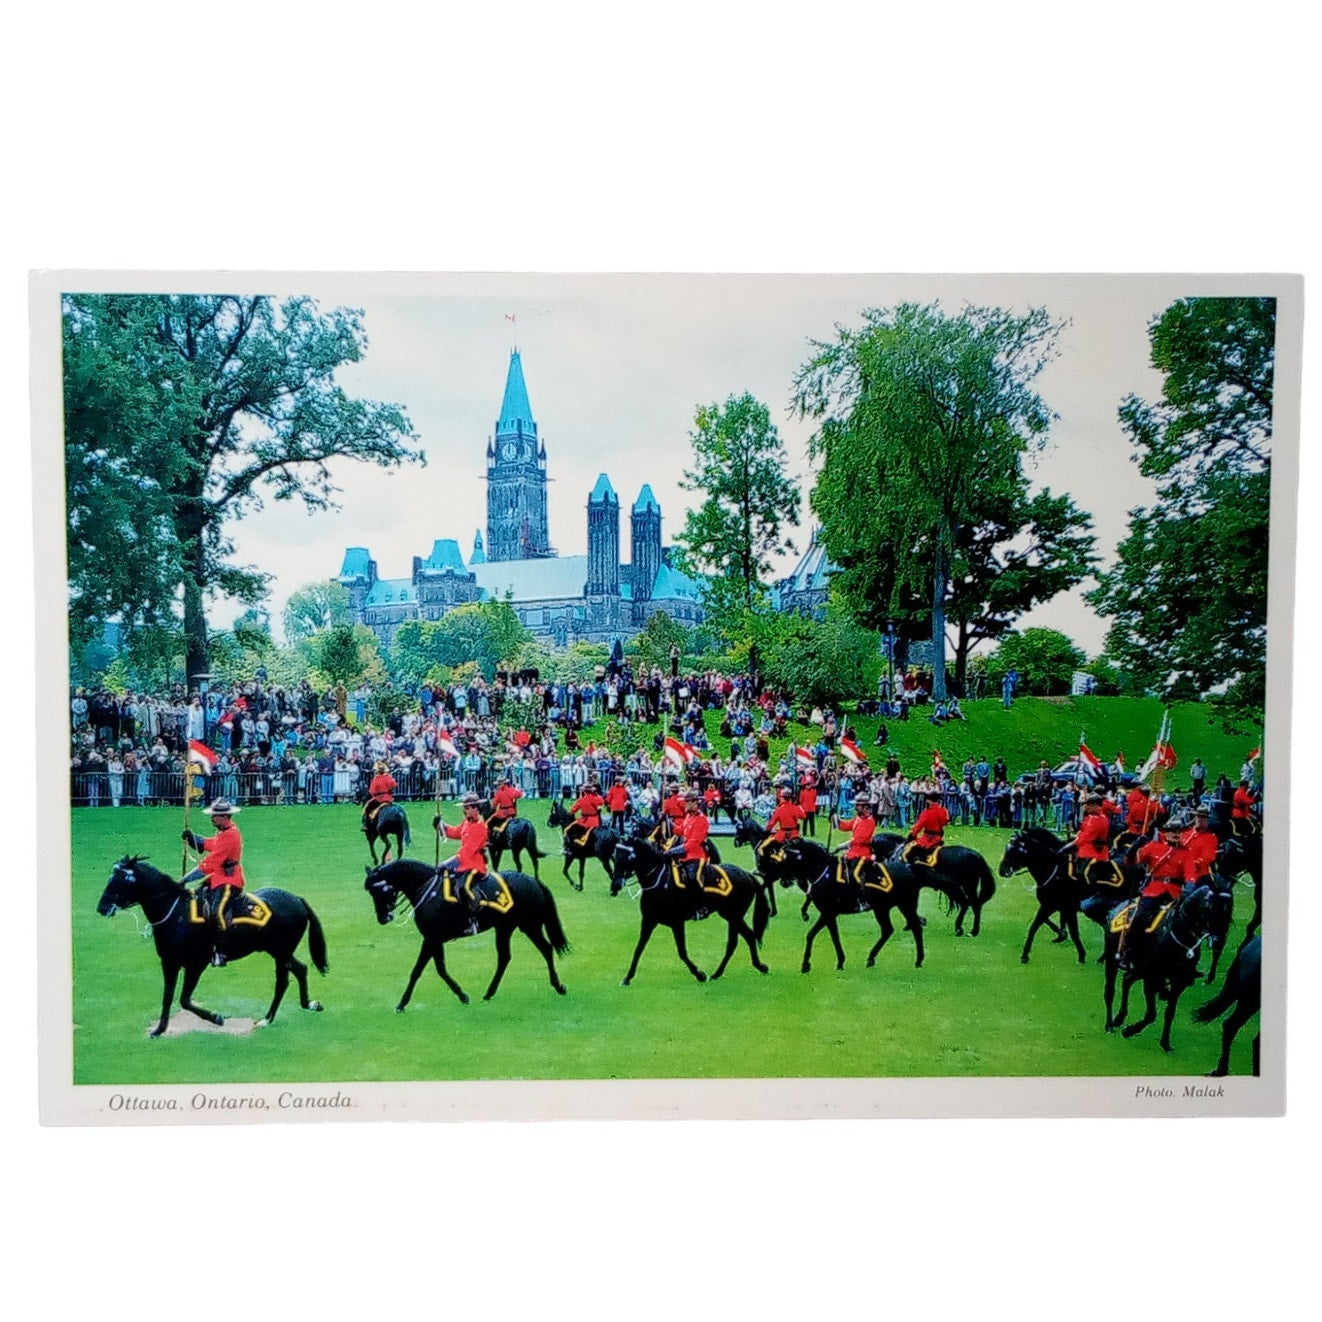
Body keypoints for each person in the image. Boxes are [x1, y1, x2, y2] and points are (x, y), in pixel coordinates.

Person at [1120, 817, 1198, 968]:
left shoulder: (1186, 854)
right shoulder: (1153, 846)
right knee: (1140, 917)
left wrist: (1189, 890)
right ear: (1166, 832)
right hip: (1154, 890)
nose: (1176, 834)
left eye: (1178, 831)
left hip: (1175, 893)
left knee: (1191, 922)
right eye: (1172, 831)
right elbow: (1130, 860)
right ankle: (1128, 952)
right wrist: (1138, 843)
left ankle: (1190, 960)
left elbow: (1190, 876)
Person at [181, 797, 246, 966]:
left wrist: (185, 880)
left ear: (224, 816)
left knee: (217, 912)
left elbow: (210, 864)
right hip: (218, 877)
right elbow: (212, 844)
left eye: (215, 816)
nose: (212, 819)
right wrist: (193, 838)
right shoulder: (224, 831)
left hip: (229, 880)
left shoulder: (230, 834)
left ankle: (221, 951)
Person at [433, 795, 490, 928]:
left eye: (467, 808)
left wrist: (447, 864)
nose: (465, 811)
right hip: (464, 864)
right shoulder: (467, 822)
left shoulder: (480, 827)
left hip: (475, 865)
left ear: (476, 809)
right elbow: (454, 832)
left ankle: (471, 920)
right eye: (464, 808)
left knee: (463, 888)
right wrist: (440, 825)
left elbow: (466, 852)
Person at [1062, 794, 1120, 886]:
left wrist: (1067, 847)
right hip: (1090, 848)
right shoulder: (1092, 817)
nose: (1086, 807)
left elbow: (1083, 838)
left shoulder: (1096, 819)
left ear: (1096, 806)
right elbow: (1082, 829)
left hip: (1091, 852)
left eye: (1089, 805)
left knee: (1082, 874)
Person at [665, 789, 710, 894]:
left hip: (697, 855)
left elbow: (694, 842)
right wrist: (669, 824)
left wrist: (674, 850)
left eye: (687, 802)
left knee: (693, 877)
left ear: (694, 803)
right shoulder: (689, 816)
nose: (684, 804)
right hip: (685, 854)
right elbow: (682, 831)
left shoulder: (701, 819)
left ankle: (701, 903)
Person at [834, 794, 877, 885]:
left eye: (858, 805)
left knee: (854, 875)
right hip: (852, 852)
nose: (855, 807)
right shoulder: (858, 818)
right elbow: (846, 826)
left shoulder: (870, 821)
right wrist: (836, 820)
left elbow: (860, 839)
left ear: (865, 807)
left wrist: (842, 846)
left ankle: (862, 897)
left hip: (862, 853)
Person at [904, 787, 949, 866]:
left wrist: (912, 834)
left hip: (928, 839)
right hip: (938, 837)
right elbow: (945, 822)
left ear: (928, 800)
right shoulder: (943, 810)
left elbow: (919, 825)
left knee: (910, 850)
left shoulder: (927, 812)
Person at [761, 786, 806, 866]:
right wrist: (800, 807)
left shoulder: (779, 810)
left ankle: (768, 864)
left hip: (782, 836)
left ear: (782, 797)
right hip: (794, 835)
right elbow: (804, 816)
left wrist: (766, 830)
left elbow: (771, 824)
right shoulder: (795, 808)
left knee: (765, 847)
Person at [1181, 803, 1220, 884]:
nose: (1200, 819)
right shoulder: (1185, 834)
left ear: (1208, 820)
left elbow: (1208, 858)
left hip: (1198, 875)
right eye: (1198, 816)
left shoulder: (1210, 838)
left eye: (1204, 817)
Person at [566, 780, 606, 853]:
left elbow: (572, 810)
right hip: (594, 820)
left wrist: (569, 814)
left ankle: (568, 847)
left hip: (585, 820)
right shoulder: (597, 798)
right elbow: (600, 807)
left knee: (567, 829)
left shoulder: (581, 799)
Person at [362, 759, 396, 833]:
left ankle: (366, 824)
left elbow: (372, 791)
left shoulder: (376, 779)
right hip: (388, 798)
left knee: (367, 807)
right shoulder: (388, 777)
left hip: (378, 798)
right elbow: (394, 785)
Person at [488, 773, 523, 840]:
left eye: (499, 784)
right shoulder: (511, 789)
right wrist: (517, 790)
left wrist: (493, 807)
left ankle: (492, 839)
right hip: (512, 812)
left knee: (490, 823)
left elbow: (494, 804)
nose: (498, 786)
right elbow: (519, 794)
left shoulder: (499, 792)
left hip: (502, 813)